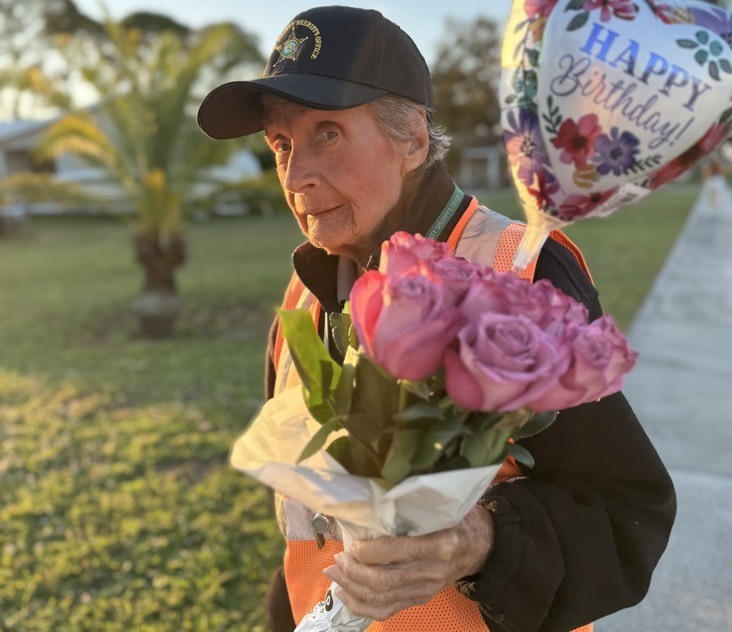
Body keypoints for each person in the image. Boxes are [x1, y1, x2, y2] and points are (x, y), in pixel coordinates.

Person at [197, 6, 676, 631]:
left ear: (412, 139)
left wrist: (476, 540)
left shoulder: (524, 277)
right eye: (282, 145)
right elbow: (306, 534)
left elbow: (625, 513)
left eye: (328, 134)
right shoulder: (303, 294)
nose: (297, 176)